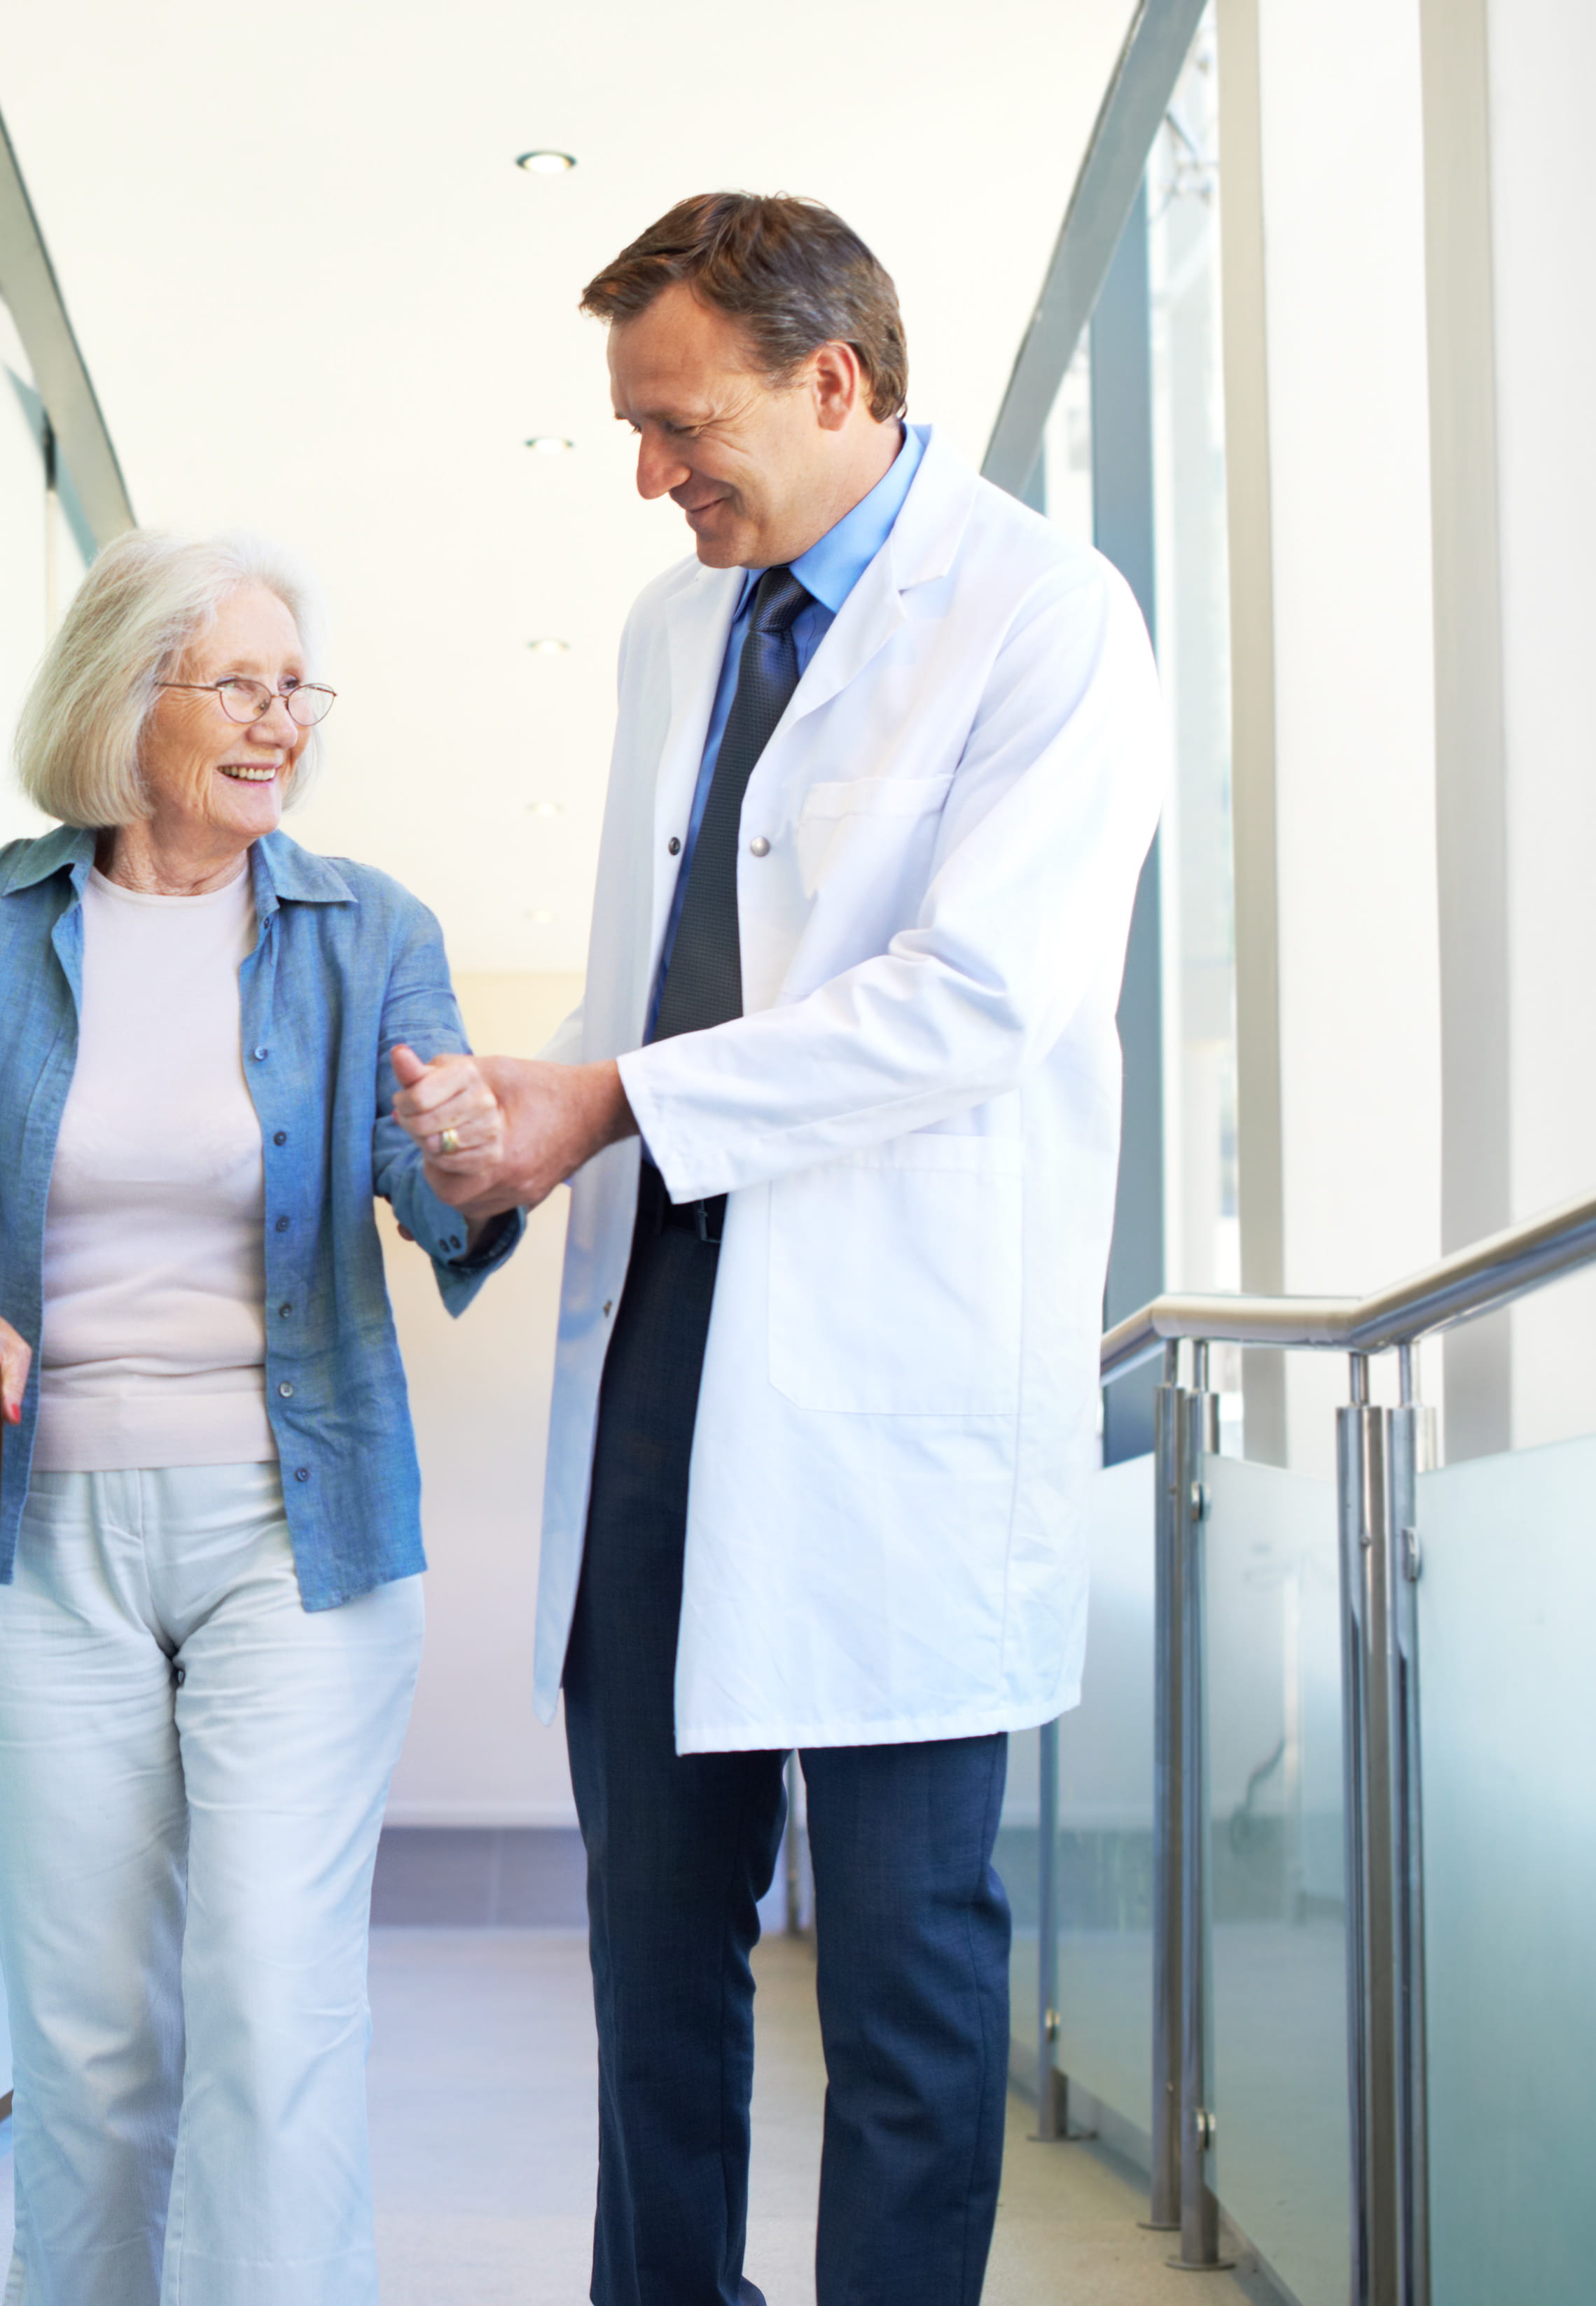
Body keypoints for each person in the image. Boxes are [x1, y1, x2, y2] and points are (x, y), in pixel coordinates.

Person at [405, 195, 1165, 2305]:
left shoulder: (1047, 615)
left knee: (912, 1975)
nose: (653, 477)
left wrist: (616, 1101)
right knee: (654, 1951)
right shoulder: (684, 626)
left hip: (894, 1375)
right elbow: (666, 980)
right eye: (637, 436)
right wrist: (526, 1116)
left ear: (835, 381)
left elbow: (978, 1000)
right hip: (661, 1342)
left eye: (679, 424)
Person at [0, 528, 519, 2306]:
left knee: (270, 1996)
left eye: (297, 687)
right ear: (123, 694)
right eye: (240, 681)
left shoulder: (366, 928)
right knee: (84, 2028)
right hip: (40, 1528)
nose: (279, 720)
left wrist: (465, 1153)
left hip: (297, 1537)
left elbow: (436, 1182)